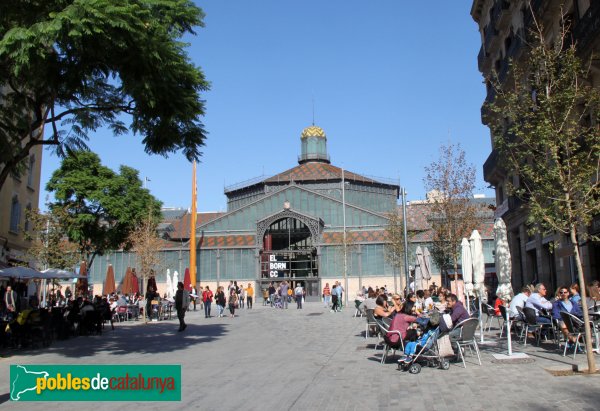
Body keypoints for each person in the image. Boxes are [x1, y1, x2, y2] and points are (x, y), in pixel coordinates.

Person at [552, 285, 583, 350]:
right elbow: (555, 315)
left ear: (568, 293)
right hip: (563, 321)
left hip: (574, 320)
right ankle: (574, 340)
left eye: (565, 292)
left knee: (587, 325)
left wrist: (573, 315)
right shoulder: (557, 304)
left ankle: (571, 341)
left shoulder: (573, 303)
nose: (563, 294)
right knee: (563, 325)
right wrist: (564, 317)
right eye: (561, 292)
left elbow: (580, 313)